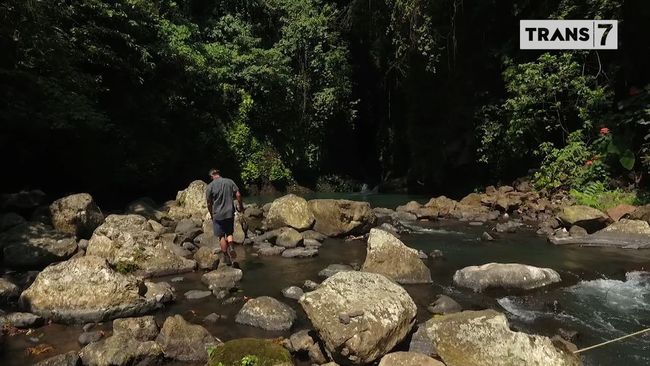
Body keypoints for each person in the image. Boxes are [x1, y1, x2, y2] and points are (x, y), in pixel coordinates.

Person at [205, 168, 243, 265]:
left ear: (211, 176)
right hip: (229, 212)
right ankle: (231, 247)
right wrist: (240, 206)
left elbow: (209, 203)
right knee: (229, 233)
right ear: (219, 174)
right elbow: (238, 194)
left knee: (221, 236)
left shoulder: (210, 186)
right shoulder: (229, 181)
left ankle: (226, 256)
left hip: (218, 214)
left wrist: (211, 212)